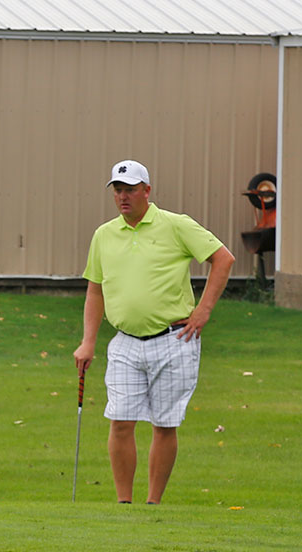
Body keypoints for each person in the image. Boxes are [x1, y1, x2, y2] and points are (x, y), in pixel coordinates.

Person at [73, 160, 235, 505]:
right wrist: (88, 342)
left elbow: (223, 259)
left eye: (130, 189)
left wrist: (202, 311)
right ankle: (124, 504)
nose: (123, 197)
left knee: (164, 424)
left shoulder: (176, 225)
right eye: (117, 190)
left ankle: (153, 504)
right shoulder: (104, 235)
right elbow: (95, 290)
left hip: (174, 339)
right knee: (120, 421)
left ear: (147, 190)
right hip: (125, 343)